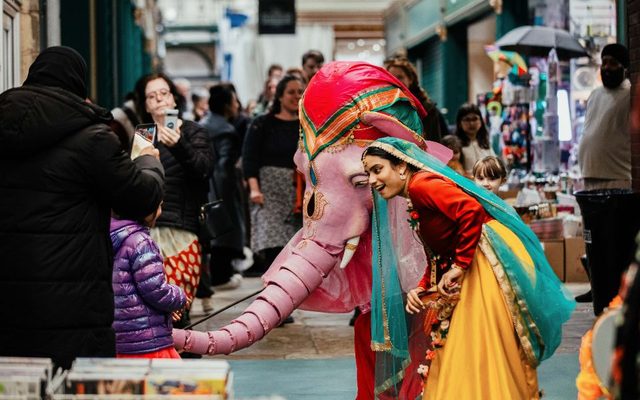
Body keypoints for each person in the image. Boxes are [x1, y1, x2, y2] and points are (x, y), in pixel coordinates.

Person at [361, 137, 574, 399]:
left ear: (402, 168)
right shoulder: (415, 193)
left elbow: (470, 211)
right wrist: (422, 285)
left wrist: (461, 265)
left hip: (481, 266)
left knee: (477, 343)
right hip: (471, 263)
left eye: (377, 169)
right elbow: (439, 251)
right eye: (368, 173)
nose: (371, 180)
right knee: (466, 346)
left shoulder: (421, 185)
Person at [0, 46, 165, 369]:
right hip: (72, 304)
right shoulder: (92, 140)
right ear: (78, 84)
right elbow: (142, 198)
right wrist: (147, 159)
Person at [133, 73, 214, 330]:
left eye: (164, 93)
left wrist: (179, 145)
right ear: (145, 105)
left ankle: (184, 354)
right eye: (151, 96)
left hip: (183, 231)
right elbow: (133, 180)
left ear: (174, 98)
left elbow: (203, 170)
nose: (158, 100)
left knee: (179, 307)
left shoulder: (192, 131)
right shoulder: (143, 134)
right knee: (151, 306)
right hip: (148, 231)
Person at [242, 75, 305, 277]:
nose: (296, 96)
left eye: (300, 92)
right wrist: (254, 189)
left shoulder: (306, 126)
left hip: (298, 193)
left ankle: (288, 296)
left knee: (294, 247)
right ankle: (274, 296)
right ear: (279, 96)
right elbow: (249, 158)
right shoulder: (261, 123)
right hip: (268, 194)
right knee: (272, 246)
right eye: (291, 92)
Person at [110, 203, 187, 359]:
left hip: (121, 342)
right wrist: (180, 296)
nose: (161, 212)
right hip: (148, 343)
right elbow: (156, 290)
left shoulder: (110, 236)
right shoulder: (141, 242)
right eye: (159, 206)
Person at [201, 83, 245, 289]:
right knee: (225, 230)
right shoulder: (226, 131)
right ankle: (221, 276)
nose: (237, 105)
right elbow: (224, 168)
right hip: (219, 190)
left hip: (204, 186)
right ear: (228, 106)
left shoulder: (202, 123)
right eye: (235, 101)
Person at [578, 43, 631, 191]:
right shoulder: (595, 94)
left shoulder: (630, 95)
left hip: (617, 178)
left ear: (624, 69)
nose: (607, 67)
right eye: (604, 63)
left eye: (613, 63)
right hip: (589, 176)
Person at [385, 57, 449, 142]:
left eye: (400, 77)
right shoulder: (384, 106)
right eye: (391, 77)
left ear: (410, 79)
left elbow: (434, 142)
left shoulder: (427, 108)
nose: (396, 80)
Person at [454, 103, 495, 175]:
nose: (471, 123)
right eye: (467, 119)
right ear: (460, 123)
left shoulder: (485, 143)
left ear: (481, 121)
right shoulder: (455, 146)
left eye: (475, 119)